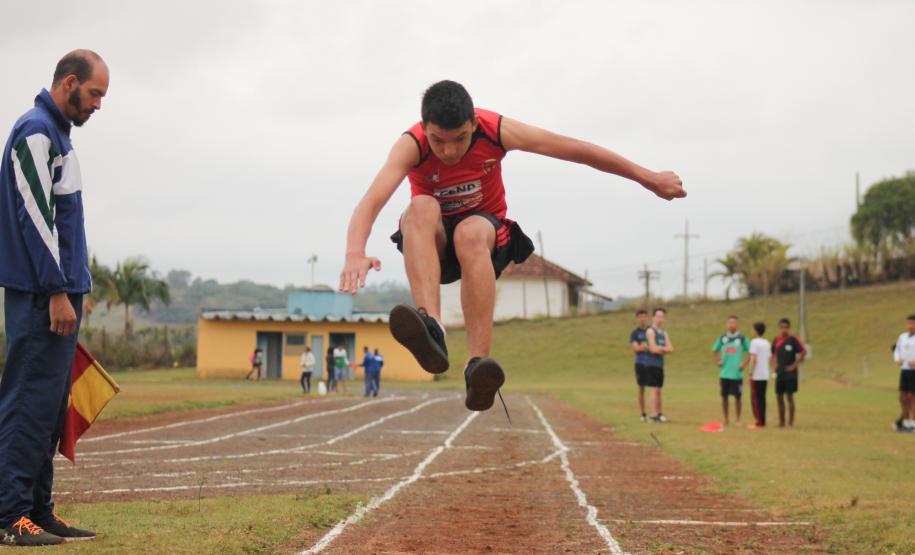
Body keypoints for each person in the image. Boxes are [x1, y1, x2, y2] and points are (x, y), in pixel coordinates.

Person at [338, 80, 685, 413]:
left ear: (474, 124)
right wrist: (355, 252)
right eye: (438, 141)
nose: (449, 151)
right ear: (424, 128)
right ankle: (432, 328)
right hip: (434, 245)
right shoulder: (411, 144)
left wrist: (648, 178)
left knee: (469, 233)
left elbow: (577, 150)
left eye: (460, 139)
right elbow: (370, 202)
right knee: (420, 207)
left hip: (483, 238)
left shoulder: (497, 130)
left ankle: (478, 365)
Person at [0, 50, 108, 546]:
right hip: (42, 295)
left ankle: (38, 510)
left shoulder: (59, 134)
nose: (98, 105)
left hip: (61, 291)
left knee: (48, 407)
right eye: (94, 94)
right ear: (69, 83)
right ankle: (10, 514)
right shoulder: (36, 131)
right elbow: (35, 218)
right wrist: (56, 290)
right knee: (27, 402)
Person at [711, 316, 750, 427]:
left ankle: (738, 419)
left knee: (738, 397)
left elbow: (751, 352)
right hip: (724, 373)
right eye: (730, 323)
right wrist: (718, 360)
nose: (732, 325)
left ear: (737, 325)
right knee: (724, 397)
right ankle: (726, 419)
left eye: (734, 323)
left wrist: (744, 364)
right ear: (727, 324)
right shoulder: (722, 338)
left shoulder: (742, 338)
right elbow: (714, 350)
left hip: (737, 374)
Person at [771, 318, 807, 428]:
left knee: (789, 397)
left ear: (789, 328)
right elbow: (771, 354)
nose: (784, 329)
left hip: (790, 373)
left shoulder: (793, 339)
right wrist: (774, 365)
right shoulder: (776, 340)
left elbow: (803, 352)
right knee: (779, 397)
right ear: (779, 328)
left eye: (786, 327)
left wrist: (794, 365)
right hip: (780, 372)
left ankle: (790, 423)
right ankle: (781, 422)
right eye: (782, 327)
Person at [644, 308, 673, 423]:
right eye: (658, 316)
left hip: (660, 364)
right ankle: (653, 414)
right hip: (651, 363)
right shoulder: (650, 331)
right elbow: (653, 349)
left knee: (659, 390)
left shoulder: (663, 333)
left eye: (662, 317)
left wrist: (660, 348)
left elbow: (671, 349)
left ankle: (659, 414)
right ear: (653, 318)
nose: (660, 319)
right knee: (654, 389)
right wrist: (662, 348)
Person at [892, 314, 915, 432]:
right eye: (909, 323)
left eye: (913, 324)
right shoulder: (902, 337)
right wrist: (897, 359)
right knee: (903, 397)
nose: (910, 326)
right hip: (904, 370)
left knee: (912, 398)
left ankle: (913, 424)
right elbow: (896, 350)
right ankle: (905, 423)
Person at [747, 322, 772, 429]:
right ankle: (762, 421)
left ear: (756, 331)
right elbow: (769, 358)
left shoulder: (754, 342)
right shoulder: (767, 343)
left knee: (755, 399)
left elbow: (754, 359)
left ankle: (758, 422)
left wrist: (750, 373)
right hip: (764, 375)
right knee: (762, 399)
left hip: (756, 375)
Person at [629, 309, 650, 422]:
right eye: (640, 316)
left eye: (644, 316)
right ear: (637, 318)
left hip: (652, 362)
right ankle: (643, 413)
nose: (643, 319)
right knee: (641, 388)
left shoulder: (651, 331)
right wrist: (645, 346)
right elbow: (636, 348)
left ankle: (655, 413)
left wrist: (645, 346)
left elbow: (655, 345)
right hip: (640, 363)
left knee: (655, 388)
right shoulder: (635, 333)